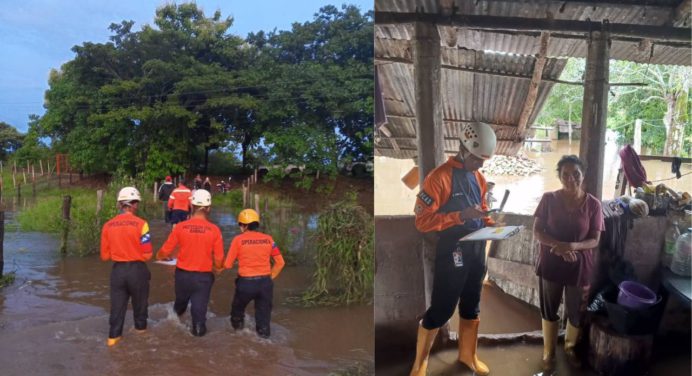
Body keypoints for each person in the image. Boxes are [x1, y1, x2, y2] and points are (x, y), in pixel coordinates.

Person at [410, 122, 498, 376]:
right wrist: (460, 216)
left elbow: (481, 211)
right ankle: (420, 364)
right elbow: (422, 221)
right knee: (442, 308)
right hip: (453, 251)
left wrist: (493, 223)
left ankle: (468, 356)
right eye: (476, 159)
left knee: (472, 305)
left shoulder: (479, 179)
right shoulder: (439, 177)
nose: (480, 165)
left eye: (483, 160)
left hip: (477, 249)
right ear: (462, 148)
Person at [533, 155, 604, 372]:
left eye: (576, 174)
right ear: (559, 176)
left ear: (583, 176)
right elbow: (537, 231)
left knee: (575, 311)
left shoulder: (593, 204)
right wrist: (559, 247)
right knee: (549, 308)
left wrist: (572, 246)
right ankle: (549, 351)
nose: (570, 179)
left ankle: (570, 348)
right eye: (565, 174)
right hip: (551, 262)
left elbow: (594, 239)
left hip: (580, 265)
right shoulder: (548, 199)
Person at [156, 189, 224, 337]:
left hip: (182, 277)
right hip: (203, 278)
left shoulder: (180, 227)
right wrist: (218, 269)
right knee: (199, 319)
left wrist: (160, 256)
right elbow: (219, 260)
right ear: (208, 208)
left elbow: (164, 251)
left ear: (191, 206)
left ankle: (173, 327)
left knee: (179, 307)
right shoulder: (215, 230)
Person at [100, 187, 152, 347]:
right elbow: (148, 254)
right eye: (137, 203)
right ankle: (141, 338)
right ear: (133, 204)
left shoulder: (108, 225)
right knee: (140, 309)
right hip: (137, 271)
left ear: (121, 204)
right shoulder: (142, 224)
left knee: (117, 309)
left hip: (118, 272)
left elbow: (104, 256)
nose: (138, 206)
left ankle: (113, 341)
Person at [224, 209, 285, 338]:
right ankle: (264, 343)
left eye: (240, 224)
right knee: (263, 320)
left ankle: (238, 336)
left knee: (237, 313)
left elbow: (227, 265)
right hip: (265, 283)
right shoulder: (268, 239)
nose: (240, 227)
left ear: (244, 225)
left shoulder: (238, 240)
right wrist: (269, 277)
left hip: (245, 283)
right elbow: (280, 263)